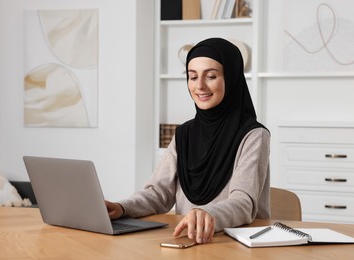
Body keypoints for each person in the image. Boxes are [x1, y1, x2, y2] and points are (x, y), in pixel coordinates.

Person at [106, 37, 270, 244]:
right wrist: (121, 207)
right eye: (192, 77)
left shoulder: (254, 135)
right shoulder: (184, 134)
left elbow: (243, 203)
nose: (199, 86)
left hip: (238, 245)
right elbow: (158, 193)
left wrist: (208, 214)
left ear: (231, 78)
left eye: (211, 76)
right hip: (190, 242)